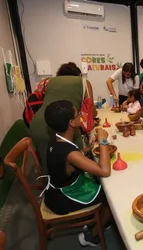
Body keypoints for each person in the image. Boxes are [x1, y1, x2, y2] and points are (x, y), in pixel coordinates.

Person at [43, 100, 111, 247]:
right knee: (112, 195)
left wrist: (88, 149)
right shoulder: (69, 153)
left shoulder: (55, 140)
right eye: (78, 114)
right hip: (63, 198)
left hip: (54, 191)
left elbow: (71, 159)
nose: (81, 116)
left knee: (98, 180)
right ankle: (92, 235)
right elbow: (104, 170)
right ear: (71, 123)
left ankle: (100, 220)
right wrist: (103, 140)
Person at [30, 63, 93, 171]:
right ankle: (73, 183)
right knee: (75, 159)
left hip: (39, 122)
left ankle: (51, 181)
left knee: (49, 158)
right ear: (78, 74)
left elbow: (32, 101)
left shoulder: (46, 82)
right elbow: (90, 110)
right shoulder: (84, 82)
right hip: (67, 123)